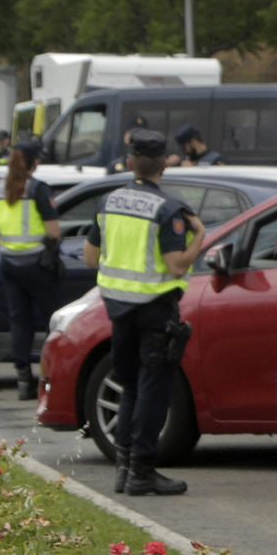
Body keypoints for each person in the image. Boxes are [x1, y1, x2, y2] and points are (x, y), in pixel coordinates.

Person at [91, 127, 200, 496]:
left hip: (118, 310)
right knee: (154, 391)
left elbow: (92, 256)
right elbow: (176, 266)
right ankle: (142, 473)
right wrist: (198, 237)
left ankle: (125, 468)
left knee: (130, 387)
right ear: (164, 165)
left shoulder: (109, 201)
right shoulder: (168, 208)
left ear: (130, 162)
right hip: (155, 310)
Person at [0, 146, 63, 401]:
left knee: (19, 320)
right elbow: (54, 232)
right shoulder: (37, 189)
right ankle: (56, 375)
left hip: (9, 262)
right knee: (55, 319)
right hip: (37, 264)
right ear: (35, 163)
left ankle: (23, 380)